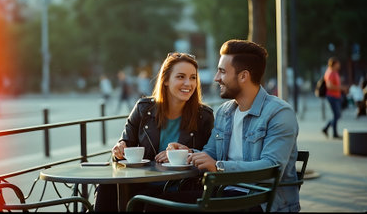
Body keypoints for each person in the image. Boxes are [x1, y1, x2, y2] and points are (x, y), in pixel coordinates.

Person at [164, 39, 300, 212]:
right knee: (150, 200)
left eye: (222, 71)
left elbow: (272, 168)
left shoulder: (279, 113)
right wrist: (188, 153)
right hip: (224, 193)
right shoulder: (224, 112)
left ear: (243, 76)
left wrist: (219, 167)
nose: (216, 78)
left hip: (261, 202)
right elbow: (211, 154)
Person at [94, 52, 215, 212]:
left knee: (145, 201)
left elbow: (211, 156)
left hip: (180, 188)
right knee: (106, 186)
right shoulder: (143, 108)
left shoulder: (204, 116)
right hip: (142, 182)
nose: (188, 83)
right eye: (180, 77)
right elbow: (124, 147)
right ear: (165, 80)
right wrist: (118, 151)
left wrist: (185, 155)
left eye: (193, 77)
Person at [322, 57, 345, 139]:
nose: (339, 65)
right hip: (332, 96)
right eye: (338, 64)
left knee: (337, 115)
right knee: (337, 115)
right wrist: (341, 88)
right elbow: (329, 86)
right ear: (334, 64)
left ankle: (327, 129)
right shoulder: (330, 72)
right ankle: (332, 132)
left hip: (336, 96)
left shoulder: (335, 72)